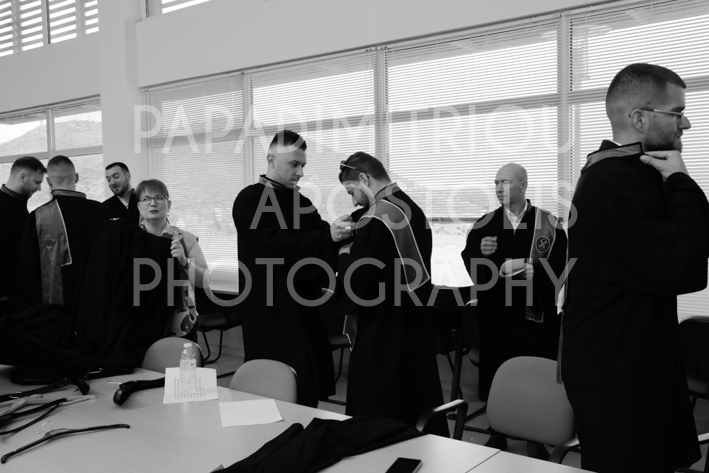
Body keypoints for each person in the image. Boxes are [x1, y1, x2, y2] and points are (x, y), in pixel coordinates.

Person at [561, 63, 708, 473]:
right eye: (677, 113)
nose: (686, 123)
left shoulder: (620, 170)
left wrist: (676, 180)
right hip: (619, 368)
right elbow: (682, 263)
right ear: (640, 118)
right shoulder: (617, 179)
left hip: (624, 354)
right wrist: (680, 180)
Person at [232, 130, 352, 408]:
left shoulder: (302, 203)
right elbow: (270, 245)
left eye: (303, 165)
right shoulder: (249, 200)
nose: (300, 172)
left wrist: (342, 235)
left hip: (302, 303)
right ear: (271, 160)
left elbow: (323, 238)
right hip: (267, 307)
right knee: (269, 388)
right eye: (294, 164)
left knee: (305, 382)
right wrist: (326, 237)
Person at [461, 162, 567, 458]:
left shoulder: (548, 224)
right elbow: (470, 257)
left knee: (534, 377)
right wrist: (499, 269)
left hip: (535, 315)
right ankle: (497, 432)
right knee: (497, 373)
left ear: (523, 185)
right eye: (496, 183)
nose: (499, 188)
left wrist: (532, 269)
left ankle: (536, 438)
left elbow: (561, 263)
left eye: (506, 182)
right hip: (497, 315)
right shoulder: (484, 224)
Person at [336, 151, 446, 432]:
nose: (353, 201)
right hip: (414, 321)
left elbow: (359, 283)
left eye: (352, 192)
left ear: (364, 179)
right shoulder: (411, 208)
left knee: (383, 413)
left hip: (383, 331)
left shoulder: (377, 217)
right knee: (414, 403)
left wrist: (344, 254)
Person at [20, 155, 110, 311]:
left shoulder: (38, 217)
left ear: (49, 182)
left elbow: (28, 267)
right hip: (99, 300)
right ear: (77, 177)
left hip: (56, 307)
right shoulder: (103, 211)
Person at [135, 179, 209, 338]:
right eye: (146, 199)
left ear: (168, 204)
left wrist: (184, 261)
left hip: (180, 324)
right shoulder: (129, 240)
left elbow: (205, 281)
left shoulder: (185, 239)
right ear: (139, 206)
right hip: (139, 322)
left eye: (159, 197)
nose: (153, 203)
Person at [0, 156, 46, 317]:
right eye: (37, 182)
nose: (39, 188)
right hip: (9, 298)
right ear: (22, 177)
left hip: (21, 293)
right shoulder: (3, 206)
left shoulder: (17, 204)